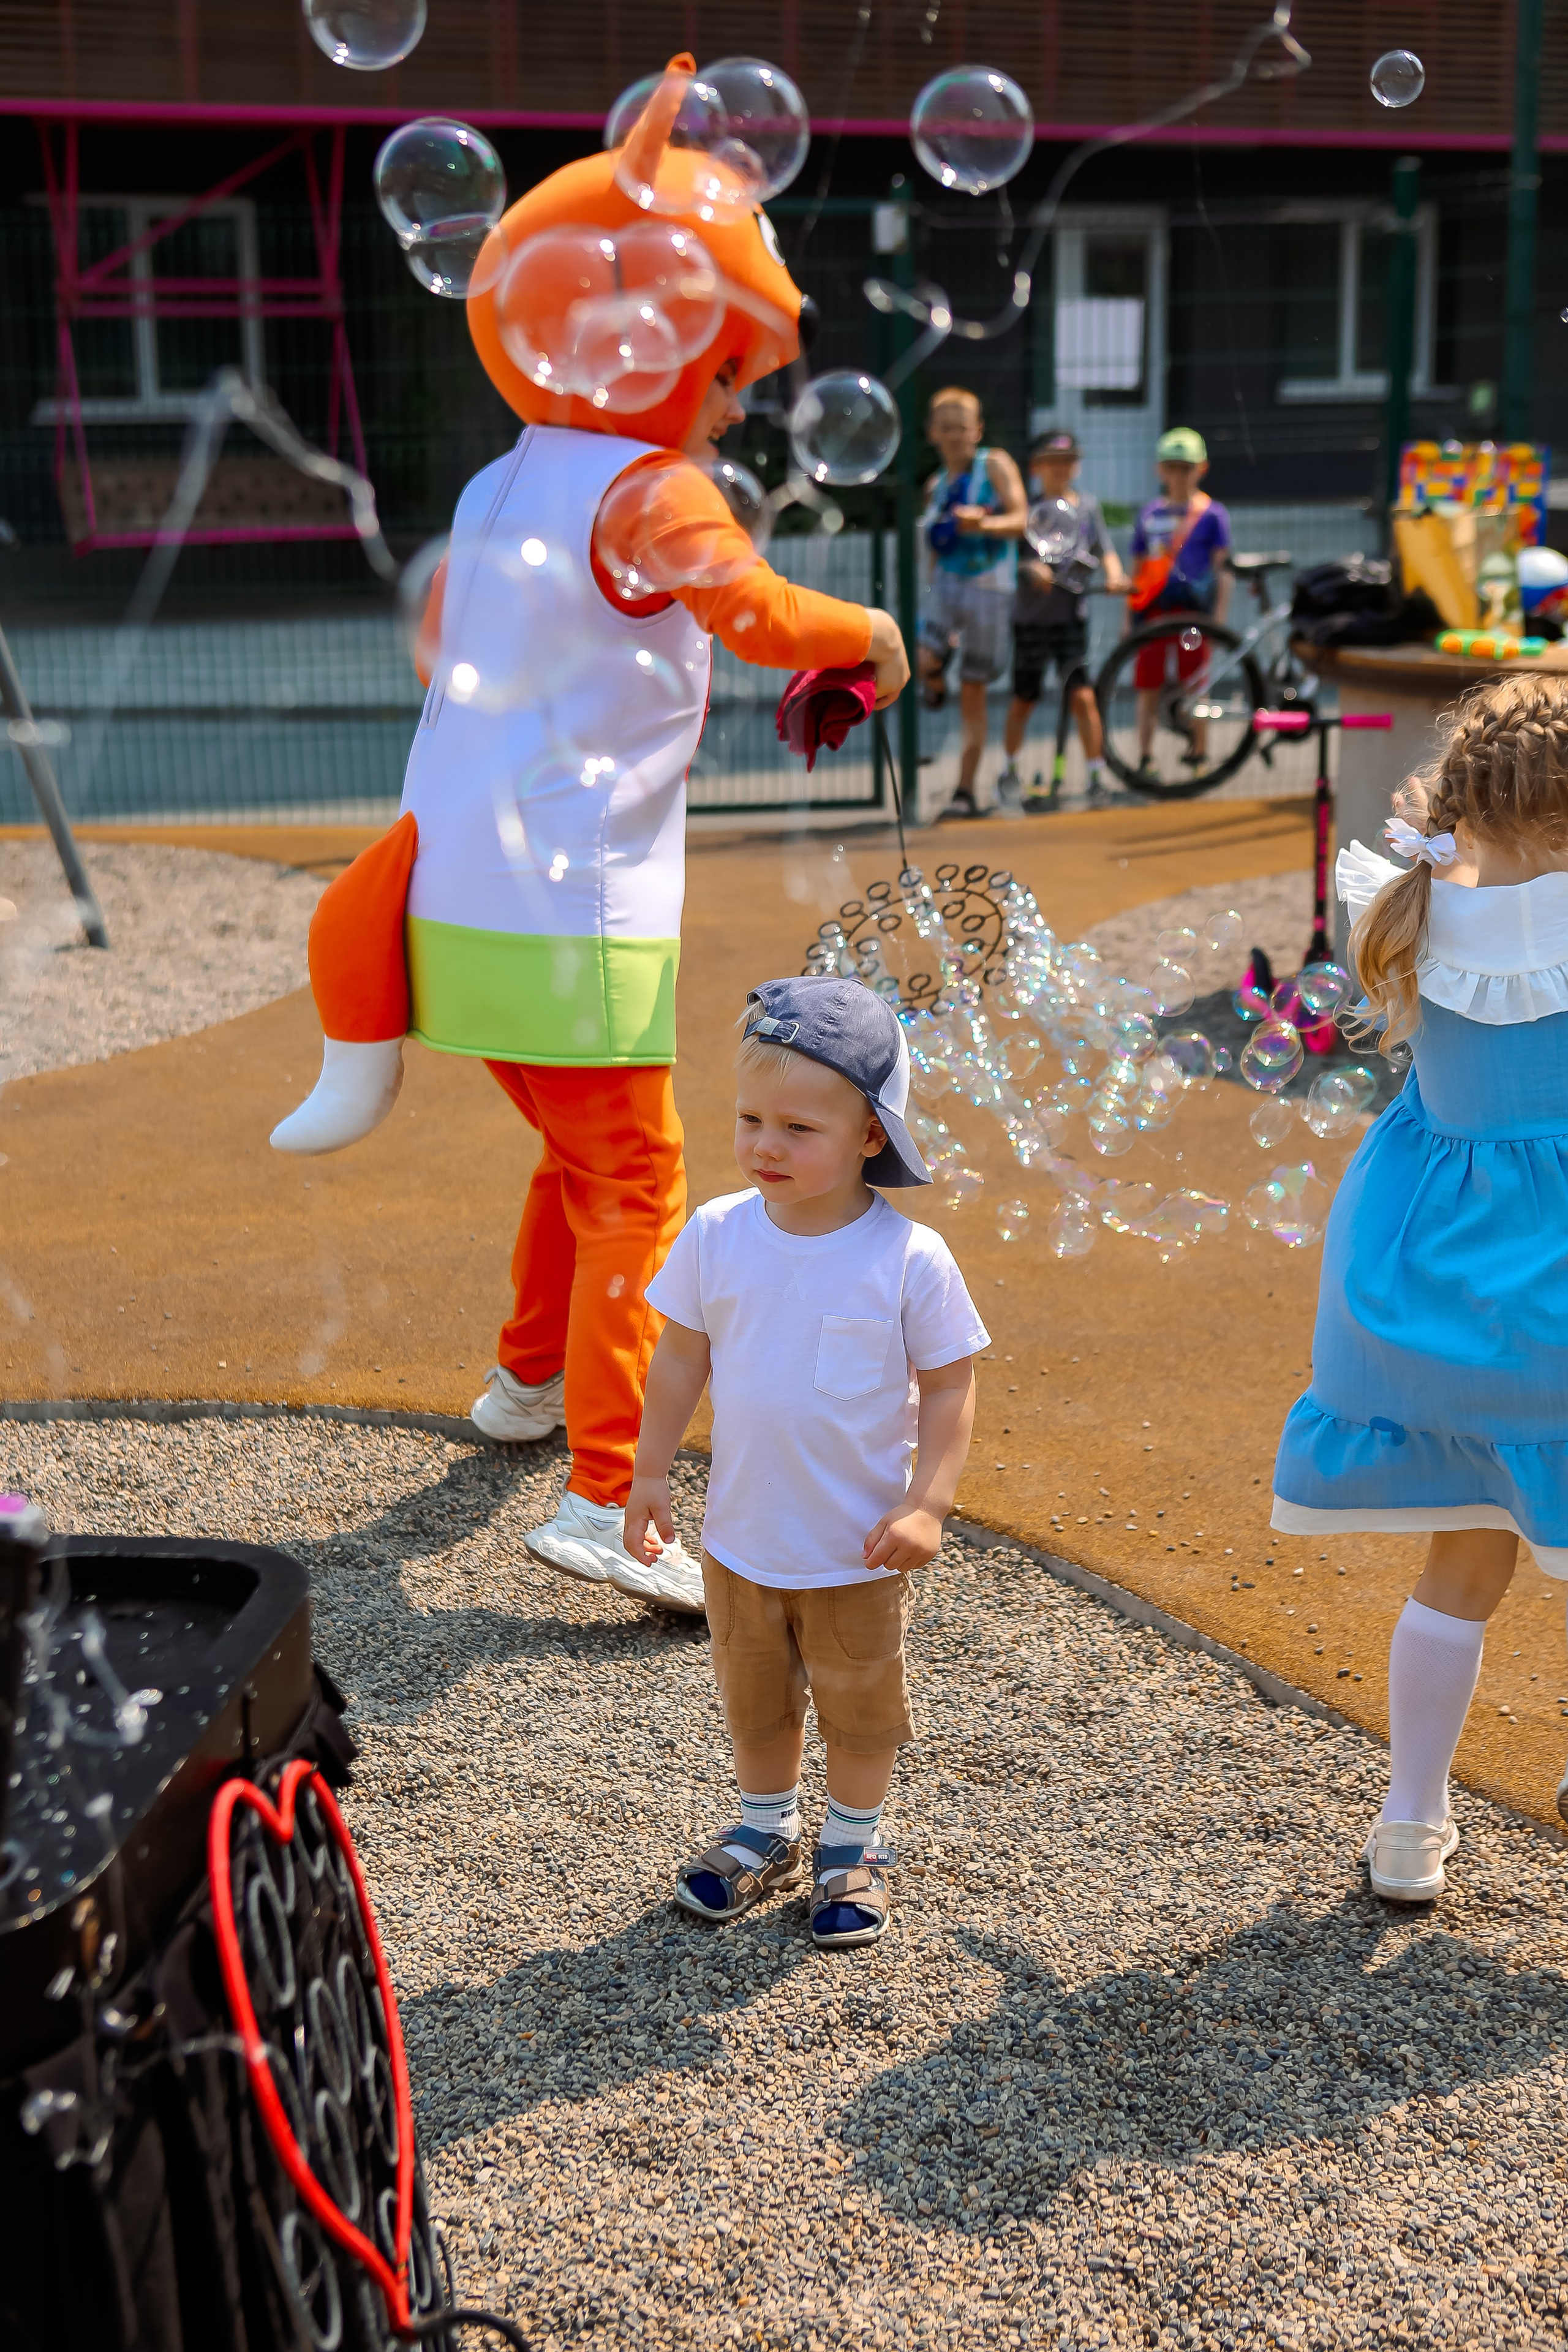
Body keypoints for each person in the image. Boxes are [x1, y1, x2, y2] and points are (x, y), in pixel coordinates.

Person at [268, 58, 909, 1614]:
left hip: (445, 892)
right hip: (567, 904)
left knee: (574, 1155)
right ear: (657, 330)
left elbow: (454, 646)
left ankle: (519, 1377)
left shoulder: (500, 480)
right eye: (732, 357)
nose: (741, 392)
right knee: (636, 1175)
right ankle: (608, 1495)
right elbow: (757, 614)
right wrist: (871, 628)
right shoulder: (650, 486)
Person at [1270, 676, 1568, 1902]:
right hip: (1554, 1294)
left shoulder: (1407, 914)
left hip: (1436, 1288)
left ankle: (1408, 1821)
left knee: (1460, 1563)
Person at [624, 977, 987, 1946]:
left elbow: (951, 1386)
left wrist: (930, 1505)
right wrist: (650, 1470)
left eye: (797, 1127)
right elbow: (680, 1357)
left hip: (855, 1550)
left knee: (861, 1712)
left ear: (872, 1133)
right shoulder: (717, 1235)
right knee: (756, 1700)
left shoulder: (910, 1258)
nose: (763, 1146)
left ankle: (854, 1845)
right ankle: (766, 1826)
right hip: (741, 1541)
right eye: (749, 1119)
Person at [997, 430, 1128, 811]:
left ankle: (1095, 776)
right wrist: (1031, 570)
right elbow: (1019, 558)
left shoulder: (1087, 507)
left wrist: (1116, 577)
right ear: (1037, 467)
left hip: (1071, 619)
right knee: (1024, 698)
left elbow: (1106, 551)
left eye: (1067, 461)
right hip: (1031, 621)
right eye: (1052, 462)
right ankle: (1009, 770)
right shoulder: (1029, 507)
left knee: (1083, 698)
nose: (1060, 469)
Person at [915, 387, 1028, 822]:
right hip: (947, 586)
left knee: (975, 691)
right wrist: (929, 590)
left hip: (990, 589)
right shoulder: (934, 487)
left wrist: (985, 523)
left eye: (962, 427)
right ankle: (935, 676)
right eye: (946, 428)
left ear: (977, 430)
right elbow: (933, 548)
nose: (955, 436)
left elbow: (1022, 520)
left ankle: (965, 789)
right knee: (925, 658)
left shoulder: (995, 465)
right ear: (933, 434)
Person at [1125, 426, 1231, 780]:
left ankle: (1199, 753)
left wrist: (1219, 617)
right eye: (1171, 466)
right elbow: (1137, 569)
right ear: (1160, 469)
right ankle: (1145, 756)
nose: (1178, 474)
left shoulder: (1213, 514)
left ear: (1200, 468)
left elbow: (1223, 569)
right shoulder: (1148, 514)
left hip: (1195, 614)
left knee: (1197, 685)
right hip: (1154, 612)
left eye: (1185, 467)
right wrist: (1130, 614)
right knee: (1148, 686)